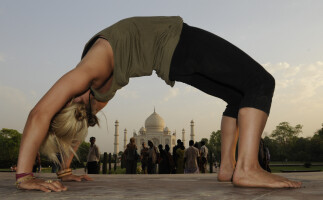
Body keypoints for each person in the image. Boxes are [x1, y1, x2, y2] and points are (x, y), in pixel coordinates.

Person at [15, 16, 301, 192]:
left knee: (239, 97)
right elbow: (43, 114)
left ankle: (229, 166)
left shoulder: (91, 83)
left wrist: (61, 170)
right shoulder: (92, 83)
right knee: (261, 82)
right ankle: (248, 168)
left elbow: (48, 115)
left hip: (173, 60)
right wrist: (25, 177)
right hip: (179, 42)